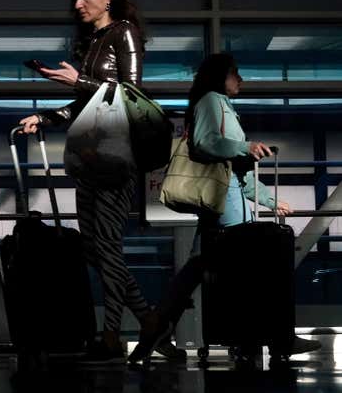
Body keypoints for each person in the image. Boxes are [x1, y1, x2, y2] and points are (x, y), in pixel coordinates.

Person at [19, 0, 184, 363]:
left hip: (116, 157)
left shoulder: (122, 31)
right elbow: (85, 104)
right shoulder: (91, 41)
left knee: (107, 247)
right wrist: (46, 117)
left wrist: (78, 82)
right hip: (90, 158)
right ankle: (149, 320)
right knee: (96, 249)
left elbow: (131, 93)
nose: (77, 4)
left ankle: (113, 333)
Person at [127, 53, 322, 363]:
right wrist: (245, 146)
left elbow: (234, 170)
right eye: (236, 73)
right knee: (254, 269)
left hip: (221, 197)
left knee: (195, 268)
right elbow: (205, 143)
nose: (241, 80)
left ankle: (156, 329)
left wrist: (270, 200)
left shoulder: (221, 105)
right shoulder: (212, 100)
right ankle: (277, 337)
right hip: (223, 201)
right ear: (221, 77)